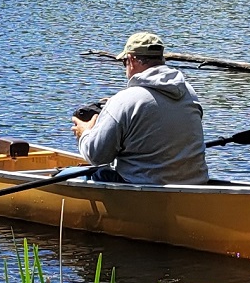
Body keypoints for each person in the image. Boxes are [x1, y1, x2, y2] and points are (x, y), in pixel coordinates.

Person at [73, 31, 207, 185]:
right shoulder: (189, 92)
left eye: (124, 62)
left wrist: (85, 133)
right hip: (195, 184)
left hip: (146, 189)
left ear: (130, 59)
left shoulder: (124, 101)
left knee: (80, 173)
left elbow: (96, 157)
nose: (125, 68)